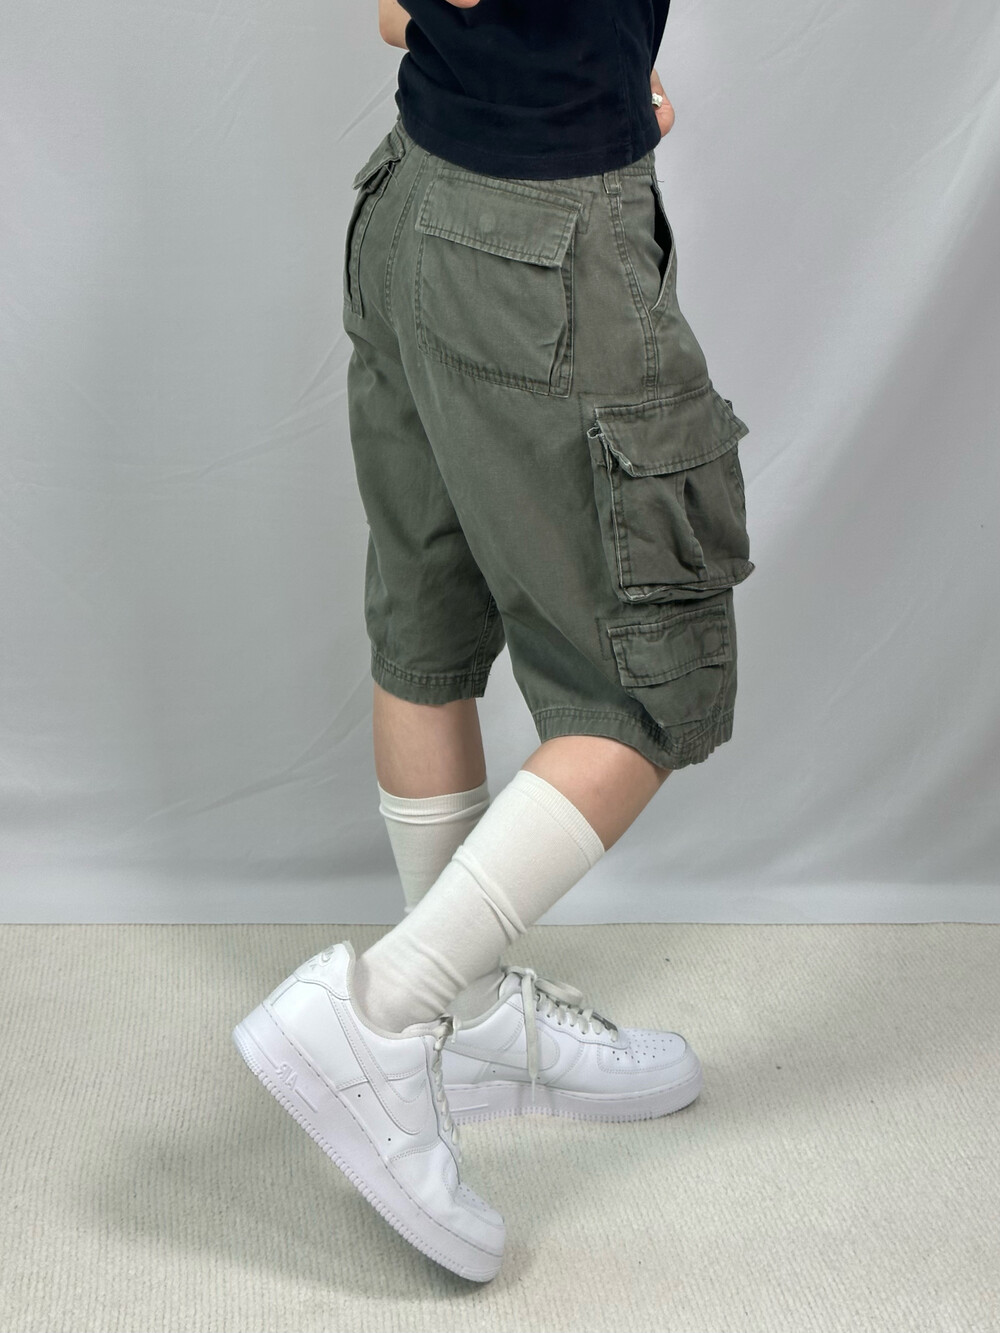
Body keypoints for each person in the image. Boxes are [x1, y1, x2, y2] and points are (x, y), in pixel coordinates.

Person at [234, 0, 754, 1283]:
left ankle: (460, 1020)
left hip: (419, 199)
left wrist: (590, 62)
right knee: (648, 691)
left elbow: (401, 13)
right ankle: (388, 1011)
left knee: (429, 623)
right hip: (537, 242)